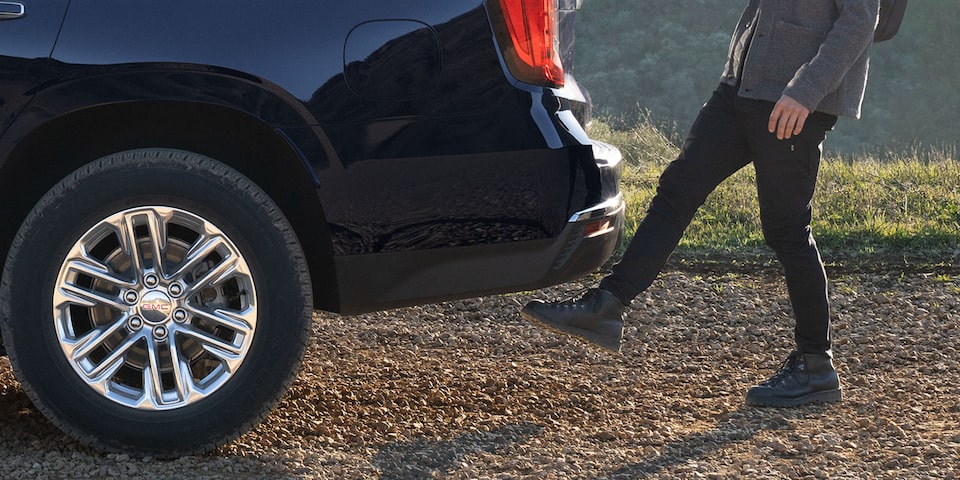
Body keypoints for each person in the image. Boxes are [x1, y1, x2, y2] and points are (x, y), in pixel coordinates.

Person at [521, 0, 881, 407]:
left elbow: (861, 20)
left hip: (793, 100)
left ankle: (817, 365)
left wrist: (806, 92)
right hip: (740, 88)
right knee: (678, 190)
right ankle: (607, 305)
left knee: (787, 229)